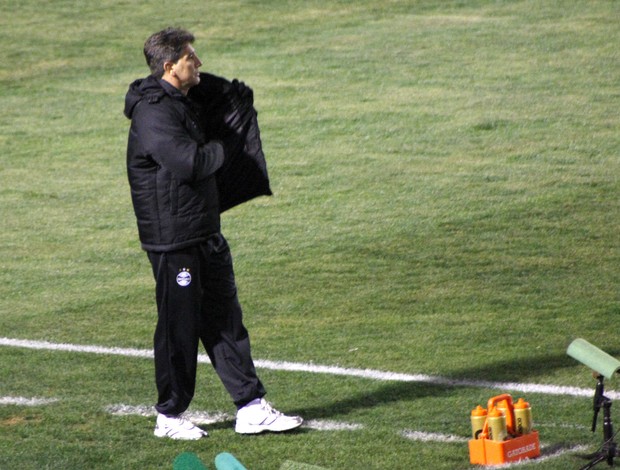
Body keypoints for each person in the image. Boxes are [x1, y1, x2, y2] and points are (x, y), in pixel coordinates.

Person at [123, 27, 302, 440]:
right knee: (179, 327)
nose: (199, 63)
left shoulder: (183, 101)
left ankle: (251, 407)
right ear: (170, 66)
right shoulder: (154, 113)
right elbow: (190, 163)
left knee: (225, 320)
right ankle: (168, 416)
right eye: (191, 57)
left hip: (202, 228)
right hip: (173, 239)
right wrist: (227, 147)